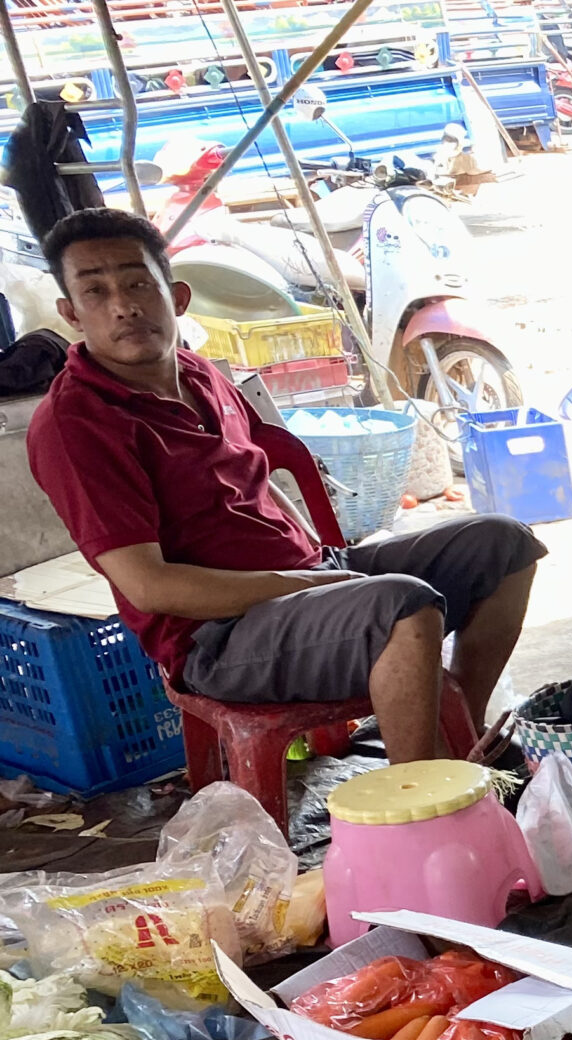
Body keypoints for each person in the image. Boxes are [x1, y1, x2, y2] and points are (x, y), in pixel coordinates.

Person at [27, 208, 540, 762]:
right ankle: (424, 801)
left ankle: (464, 732)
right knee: (404, 608)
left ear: (175, 297)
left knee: (504, 543)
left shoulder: (200, 373)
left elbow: (256, 478)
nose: (123, 306)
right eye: (95, 292)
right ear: (71, 315)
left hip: (304, 578)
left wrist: (319, 564)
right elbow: (150, 587)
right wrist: (302, 584)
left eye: (136, 283)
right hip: (218, 638)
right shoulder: (75, 423)